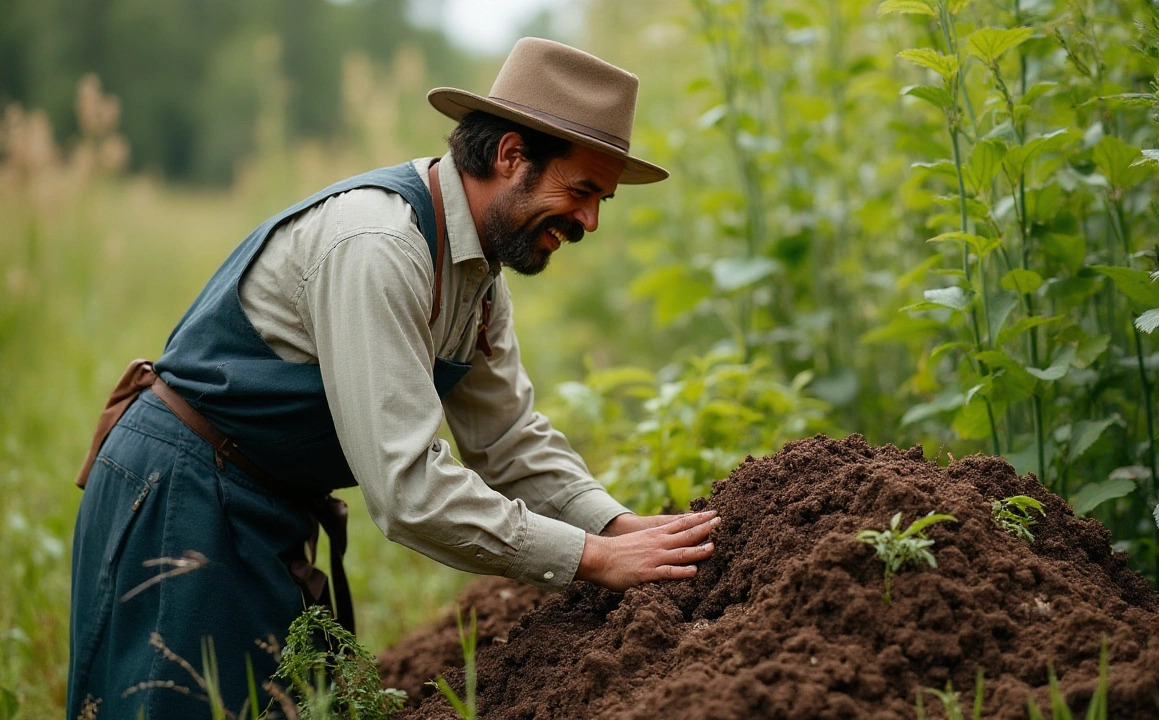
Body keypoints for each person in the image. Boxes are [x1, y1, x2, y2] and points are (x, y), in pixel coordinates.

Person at [68, 37, 720, 719]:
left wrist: (613, 526)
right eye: (581, 191)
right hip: (182, 495)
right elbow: (407, 492)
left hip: (261, 504)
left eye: (601, 202)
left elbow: (505, 440)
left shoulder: (478, 278)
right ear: (509, 157)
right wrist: (587, 557)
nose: (588, 220)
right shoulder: (379, 247)